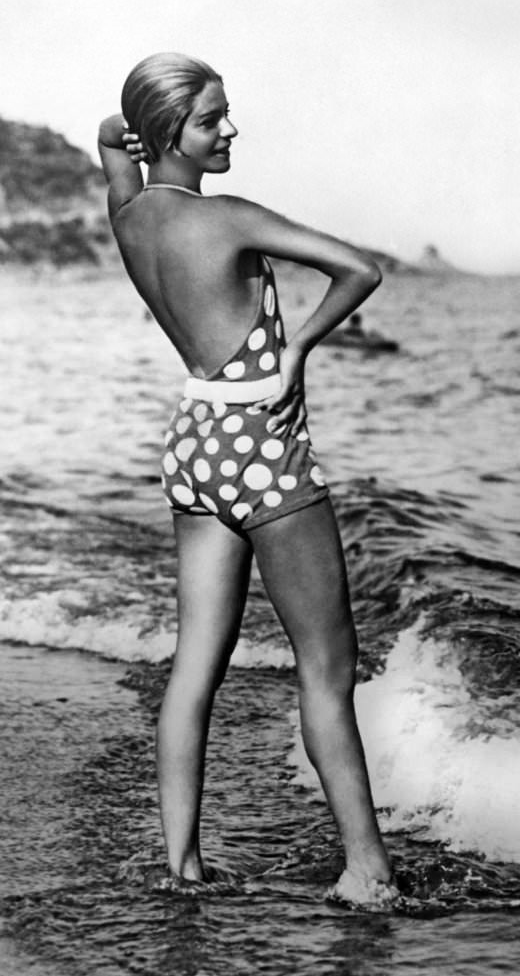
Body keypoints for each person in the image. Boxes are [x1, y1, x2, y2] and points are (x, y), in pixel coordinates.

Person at [98, 52, 397, 909]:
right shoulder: (225, 217)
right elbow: (360, 269)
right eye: (210, 119)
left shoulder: (130, 219)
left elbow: (110, 153)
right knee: (326, 670)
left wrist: (113, 138)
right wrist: (299, 345)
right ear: (167, 133)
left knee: (194, 663)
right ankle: (367, 871)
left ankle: (181, 868)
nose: (229, 129)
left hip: (193, 442)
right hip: (262, 444)